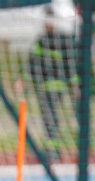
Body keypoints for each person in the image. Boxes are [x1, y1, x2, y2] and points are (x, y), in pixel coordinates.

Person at [28, 5, 80, 161]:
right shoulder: (41, 41)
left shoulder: (62, 40)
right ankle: (52, 151)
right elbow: (32, 62)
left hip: (58, 87)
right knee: (48, 118)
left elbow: (69, 65)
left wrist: (74, 85)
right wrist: (23, 80)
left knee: (53, 118)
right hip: (44, 87)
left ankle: (54, 152)